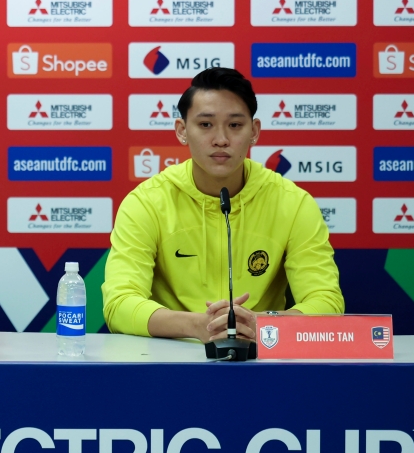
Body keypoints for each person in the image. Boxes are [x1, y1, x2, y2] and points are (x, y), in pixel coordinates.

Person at [102, 67, 343, 342]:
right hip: (168, 361)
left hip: (259, 359)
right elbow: (119, 304)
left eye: (235, 125)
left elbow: (326, 303)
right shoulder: (146, 203)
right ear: (182, 130)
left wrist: (261, 325)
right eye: (205, 124)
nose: (221, 139)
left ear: (254, 131)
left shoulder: (293, 203)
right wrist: (196, 326)